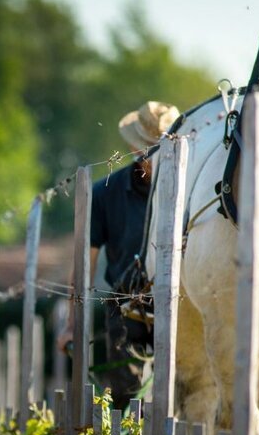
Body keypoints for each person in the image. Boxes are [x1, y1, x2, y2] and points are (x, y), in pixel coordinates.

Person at [57, 101, 180, 410]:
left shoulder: (189, 191)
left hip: (182, 305)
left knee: (186, 396)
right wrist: (72, 324)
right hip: (125, 308)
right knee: (127, 399)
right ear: (136, 150)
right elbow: (85, 263)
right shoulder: (104, 194)